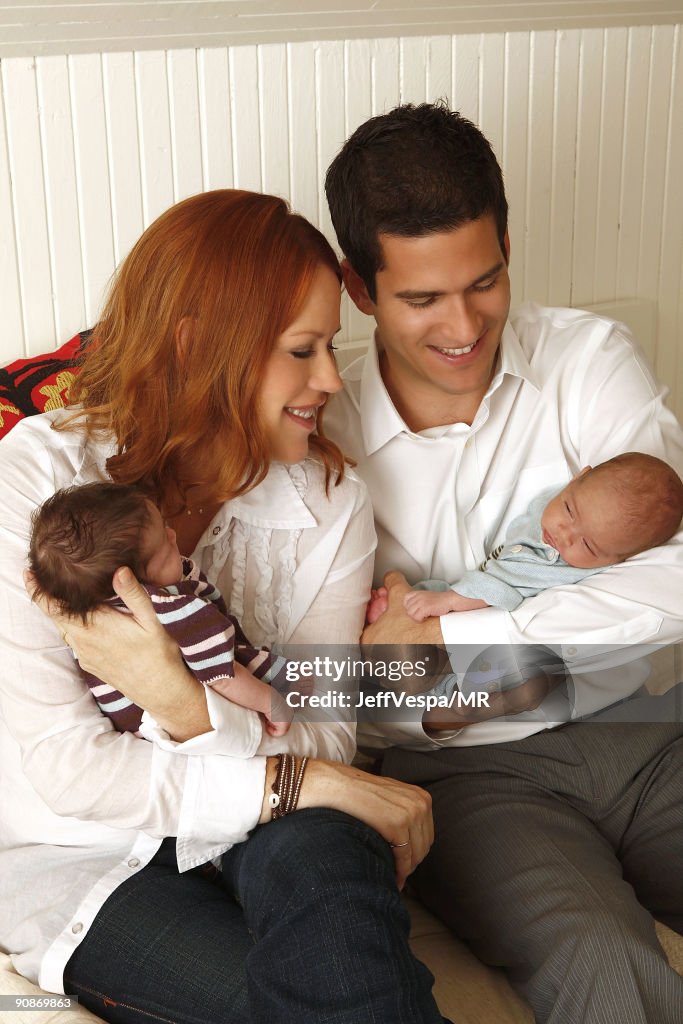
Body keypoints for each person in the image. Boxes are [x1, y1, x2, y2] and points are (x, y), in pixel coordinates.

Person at [0, 189, 446, 1024]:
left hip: (280, 829)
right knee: (327, 1000)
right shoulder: (34, 483)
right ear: (199, 344)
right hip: (83, 856)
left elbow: (327, 726)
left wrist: (187, 706)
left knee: (336, 923)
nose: (327, 381)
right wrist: (290, 777)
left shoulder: (329, 497)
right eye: (302, 351)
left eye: (330, 349)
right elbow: (66, 772)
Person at [323, 101, 683, 1024]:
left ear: (507, 244)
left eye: (484, 281)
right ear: (359, 291)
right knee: (608, 968)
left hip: (640, 728)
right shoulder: (317, 431)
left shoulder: (587, 361)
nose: (462, 325)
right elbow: (341, 681)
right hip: (468, 782)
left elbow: (673, 573)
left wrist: (473, 633)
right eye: (420, 298)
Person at [28, 481, 294, 737]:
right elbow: (222, 675)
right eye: (167, 551)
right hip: (186, 709)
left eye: (165, 527)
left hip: (134, 725)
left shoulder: (90, 613)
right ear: (128, 583)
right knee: (294, 678)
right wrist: (270, 703)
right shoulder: (174, 608)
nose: (172, 535)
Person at [366, 453, 683, 623]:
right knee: (439, 588)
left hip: (492, 616)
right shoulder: (561, 498)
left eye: (587, 544)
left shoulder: (559, 568)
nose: (564, 534)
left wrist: (447, 601)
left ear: (618, 560)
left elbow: (503, 590)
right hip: (477, 579)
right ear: (579, 477)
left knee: (441, 606)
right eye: (570, 510)